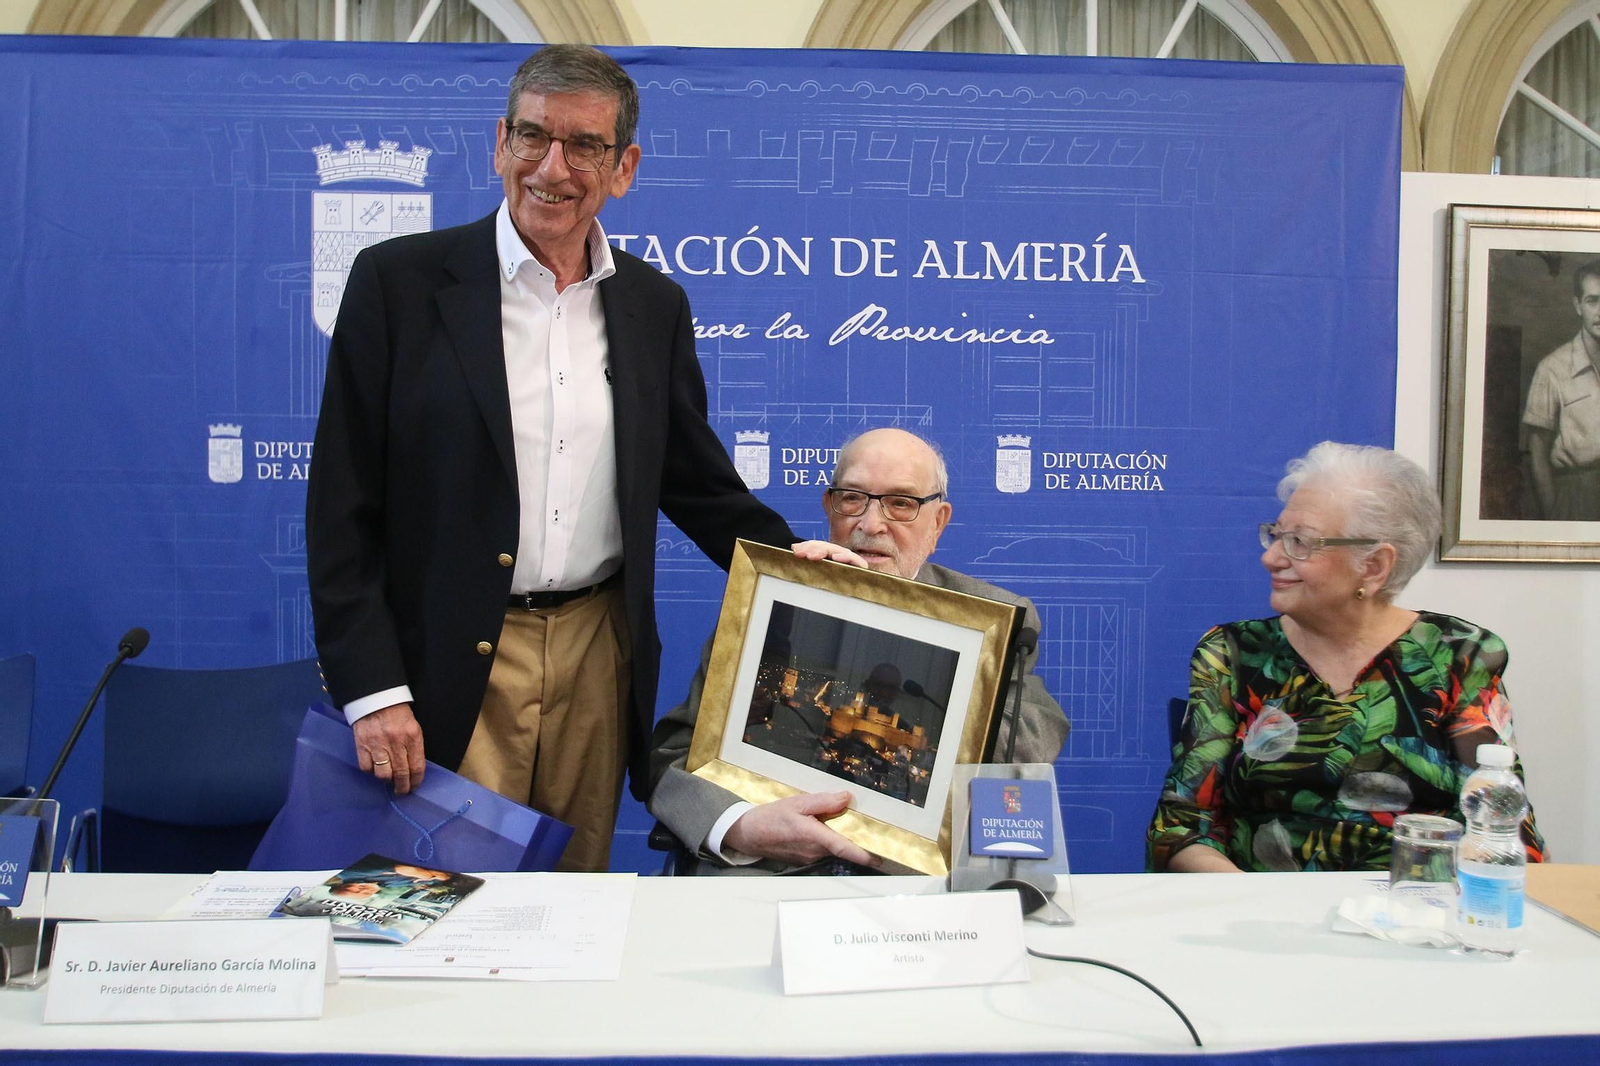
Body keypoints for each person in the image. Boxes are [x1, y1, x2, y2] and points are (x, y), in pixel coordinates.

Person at [306, 44, 855, 872]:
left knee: (574, 898)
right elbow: (340, 510)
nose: (551, 168)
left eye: (585, 146)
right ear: (500, 143)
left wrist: (794, 563)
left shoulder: (653, 305)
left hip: (599, 657)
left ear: (623, 167)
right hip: (450, 658)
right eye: (533, 136)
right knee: (440, 893)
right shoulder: (398, 284)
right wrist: (374, 692)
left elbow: (694, 481)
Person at [648, 428, 1071, 873]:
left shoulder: (991, 618)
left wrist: (888, 623)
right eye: (852, 499)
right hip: (763, 873)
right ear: (829, 506)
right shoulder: (771, 598)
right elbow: (674, 754)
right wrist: (739, 827)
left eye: (901, 503)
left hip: (909, 884)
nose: (870, 524)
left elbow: (1031, 739)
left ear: (938, 522)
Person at [1147, 442, 1545, 873]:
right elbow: (1180, 827)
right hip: (1259, 901)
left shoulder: (1459, 656)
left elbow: (1504, 830)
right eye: (1276, 535)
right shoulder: (1235, 653)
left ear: (1373, 567)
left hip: (1417, 901)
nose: (1270, 557)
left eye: (1299, 542)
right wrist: (1256, 902)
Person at [1522, 259, 1600, 520]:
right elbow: (1538, 450)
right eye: (1592, 301)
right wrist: (1553, 513)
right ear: (1578, 305)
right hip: (1578, 496)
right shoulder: (1552, 369)